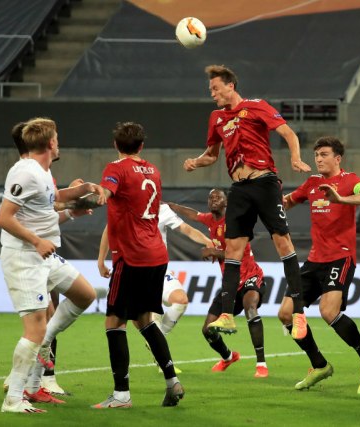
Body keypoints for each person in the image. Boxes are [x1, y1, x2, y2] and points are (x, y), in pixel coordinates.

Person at [183, 65, 311, 340]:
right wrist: (196, 161)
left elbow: (288, 133)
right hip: (239, 188)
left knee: (283, 243)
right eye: (210, 90)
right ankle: (227, 315)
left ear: (230, 86)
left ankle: (299, 313)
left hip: (264, 182)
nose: (212, 94)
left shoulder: (256, 106)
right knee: (232, 248)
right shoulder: (217, 118)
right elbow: (212, 154)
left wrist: (295, 158)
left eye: (215, 88)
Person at [0, 118, 106, 413]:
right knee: (34, 328)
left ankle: (41, 353)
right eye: (57, 138)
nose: (59, 143)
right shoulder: (25, 172)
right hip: (25, 258)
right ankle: (14, 398)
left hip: (46, 258)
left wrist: (82, 191)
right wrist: (36, 241)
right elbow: (4, 217)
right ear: (49, 143)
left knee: (85, 294)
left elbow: (53, 198)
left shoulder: (43, 171)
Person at [281, 136, 360, 394]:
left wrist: (341, 199)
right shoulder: (312, 183)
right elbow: (288, 201)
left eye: (324, 154)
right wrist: (270, 198)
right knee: (286, 313)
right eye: (316, 155)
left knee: (328, 311)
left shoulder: (350, 180)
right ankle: (319, 365)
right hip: (314, 260)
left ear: (337, 158)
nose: (318, 159)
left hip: (341, 257)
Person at [92, 121, 184, 409]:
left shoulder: (115, 168)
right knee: (143, 320)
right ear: (142, 146)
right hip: (157, 255)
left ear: (115, 145)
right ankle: (172, 381)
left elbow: (107, 192)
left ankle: (121, 395)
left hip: (131, 257)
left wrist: (97, 193)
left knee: (114, 321)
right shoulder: (153, 171)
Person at [98, 202, 212, 375]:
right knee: (131, 321)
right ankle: (156, 369)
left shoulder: (161, 209)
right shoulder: (126, 206)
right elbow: (109, 230)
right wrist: (101, 261)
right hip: (131, 271)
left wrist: (207, 241)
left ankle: (157, 340)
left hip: (158, 270)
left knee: (181, 300)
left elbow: (186, 229)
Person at [168, 188, 269, 378]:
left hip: (250, 276)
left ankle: (261, 364)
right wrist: (171, 206)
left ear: (226, 203)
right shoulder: (210, 220)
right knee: (207, 330)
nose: (214, 199)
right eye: (211, 197)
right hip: (230, 284)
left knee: (251, 308)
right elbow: (193, 215)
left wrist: (214, 252)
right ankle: (228, 357)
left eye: (218, 197)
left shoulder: (234, 221)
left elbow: (236, 253)